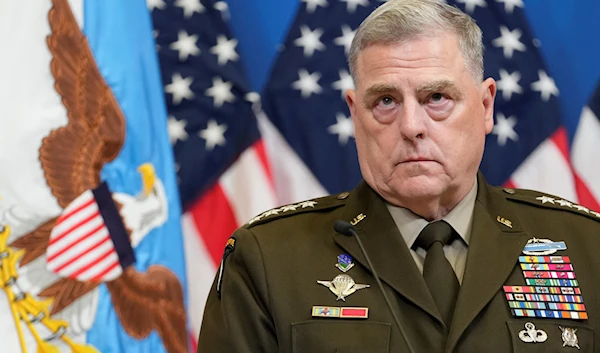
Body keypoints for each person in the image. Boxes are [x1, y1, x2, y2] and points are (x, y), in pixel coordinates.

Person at [197, 0, 600, 352]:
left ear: (485, 106)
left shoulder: (587, 248)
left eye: (436, 98)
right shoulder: (267, 261)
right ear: (355, 114)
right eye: (386, 101)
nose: (411, 126)